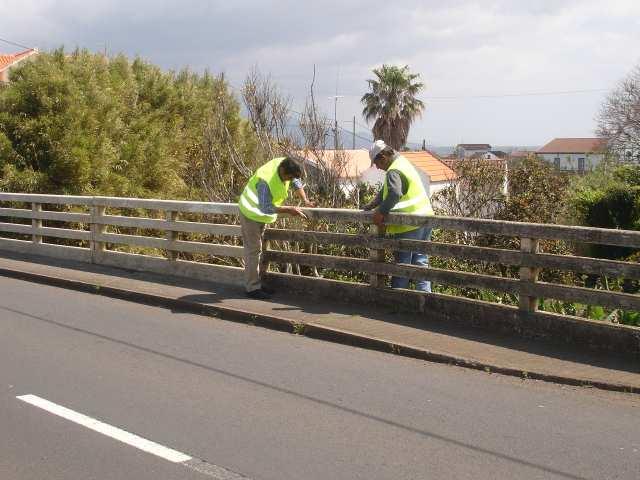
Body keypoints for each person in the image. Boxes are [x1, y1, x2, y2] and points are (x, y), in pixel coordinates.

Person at [238, 156, 315, 299]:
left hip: (259, 215)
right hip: (250, 213)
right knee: (253, 250)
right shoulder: (265, 180)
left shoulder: (286, 165)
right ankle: (252, 288)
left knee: (258, 250)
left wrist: (305, 200)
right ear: (282, 170)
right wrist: (289, 210)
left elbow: (296, 182)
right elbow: (266, 207)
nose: (288, 181)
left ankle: (257, 283)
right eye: (288, 177)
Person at [363, 140, 434, 292]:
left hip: (407, 225)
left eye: (376, 163)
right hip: (425, 219)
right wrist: (371, 205)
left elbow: (394, 193)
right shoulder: (403, 163)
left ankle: (398, 300)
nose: (377, 167)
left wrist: (380, 212)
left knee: (402, 265)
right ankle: (425, 300)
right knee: (421, 262)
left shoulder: (393, 171)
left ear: (382, 157)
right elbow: (385, 191)